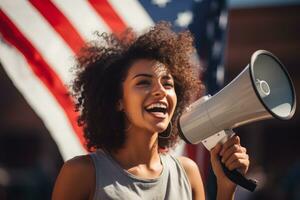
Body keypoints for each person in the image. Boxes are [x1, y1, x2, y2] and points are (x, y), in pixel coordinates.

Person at [52, 22, 249, 200]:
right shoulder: (82, 173)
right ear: (118, 100)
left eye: (167, 83)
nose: (160, 91)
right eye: (144, 82)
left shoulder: (188, 173)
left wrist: (226, 188)